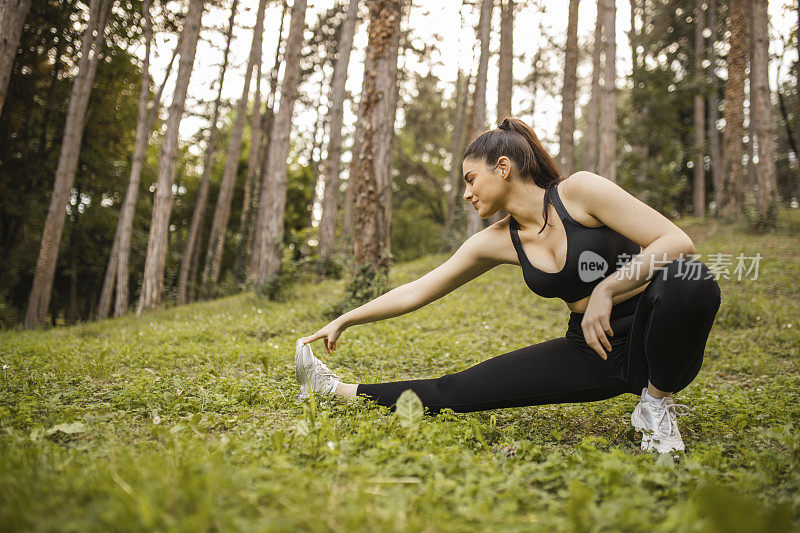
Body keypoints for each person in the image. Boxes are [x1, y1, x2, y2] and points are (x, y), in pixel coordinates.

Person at [296, 117, 722, 454]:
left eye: (469, 179)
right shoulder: (495, 242)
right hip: (595, 349)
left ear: (503, 168)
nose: (466, 194)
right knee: (456, 390)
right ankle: (334, 389)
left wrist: (606, 290)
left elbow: (676, 241)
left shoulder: (580, 192)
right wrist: (345, 319)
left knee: (692, 279)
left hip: (656, 333)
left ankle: (654, 403)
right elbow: (417, 289)